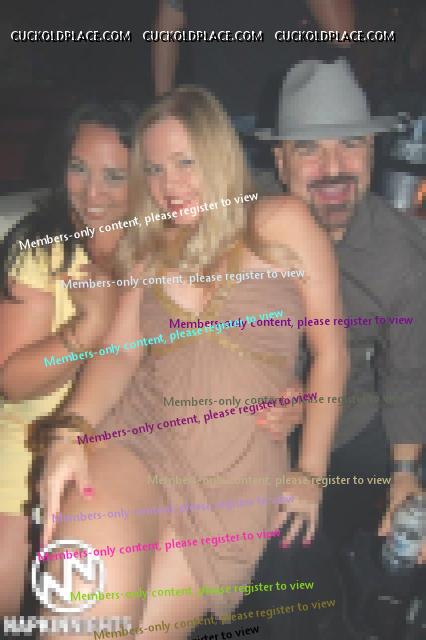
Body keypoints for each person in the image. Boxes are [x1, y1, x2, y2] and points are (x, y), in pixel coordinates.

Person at [39, 85, 348, 639]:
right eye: (155, 169)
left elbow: (330, 353)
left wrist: (310, 473)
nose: (170, 185)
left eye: (185, 162)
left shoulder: (279, 221)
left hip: (231, 478)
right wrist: (70, 429)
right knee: (81, 622)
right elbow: (121, 353)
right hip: (136, 442)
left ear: (219, 153)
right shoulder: (150, 246)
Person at [0, 101, 138, 616]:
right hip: (31, 443)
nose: (92, 192)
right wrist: (86, 331)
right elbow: (13, 381)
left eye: (113, 176)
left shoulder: (161, 256)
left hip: (125, 448)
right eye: (79, 168)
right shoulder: (45, 251)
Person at [153, 0, 355, 132]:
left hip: (218, 117)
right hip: (281, 117)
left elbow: (166, 29)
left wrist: (163, 106)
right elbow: (341, 34)